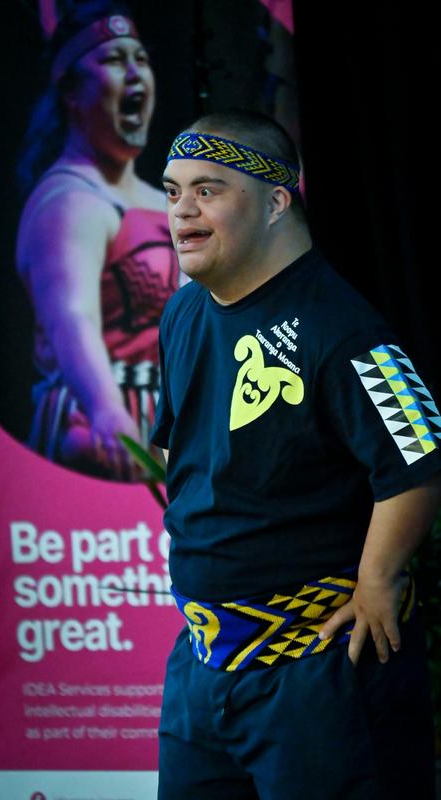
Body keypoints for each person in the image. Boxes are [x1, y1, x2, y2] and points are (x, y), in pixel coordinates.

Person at [151, 109, 441, 799]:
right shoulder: (184, 313)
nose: (182, 210)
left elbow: (421, 451)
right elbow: (181, 450)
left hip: (317, 673)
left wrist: (378, 579)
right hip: (200, 666)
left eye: (208, 189)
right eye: (171, 190)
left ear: (277, 200)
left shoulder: (339, 326)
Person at [16, 0, 180, 481]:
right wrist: (107, 407)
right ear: (71, 92)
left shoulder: (160, 199)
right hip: (96, 427)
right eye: (113, 60)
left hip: (166, 427)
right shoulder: (68, 200)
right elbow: (73, 316)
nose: (134, 73)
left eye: (141, 59)